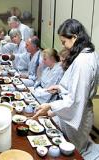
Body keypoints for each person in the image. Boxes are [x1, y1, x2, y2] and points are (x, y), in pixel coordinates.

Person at [32, 19, 99, 159]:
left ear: (74, 37)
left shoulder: (83, 61)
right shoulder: (88, 53)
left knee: (71, 152)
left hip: (78, 113)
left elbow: (75, 100)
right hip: (78, 108)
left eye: (64, 42)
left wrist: (50, 105)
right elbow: (76, 87)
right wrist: (59, 88)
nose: (64, 46)